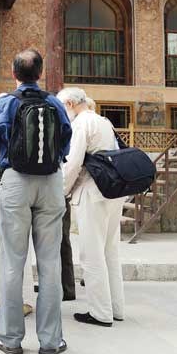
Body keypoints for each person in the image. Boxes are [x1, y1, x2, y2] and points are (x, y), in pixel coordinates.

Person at [0, 49, 72, 354]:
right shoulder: (54, 102)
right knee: (49, 264)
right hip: (50, 182)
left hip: (16, 181)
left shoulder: (4, 102)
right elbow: (66, 138)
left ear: (14, 74)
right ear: (40, 73)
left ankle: (10, 339)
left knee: (13, 261)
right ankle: (51, 342)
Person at [57, 87, 125, 327]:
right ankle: (116, 308)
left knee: (91, 253)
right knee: (110, 252)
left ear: (70, 103)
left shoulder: (80, 124)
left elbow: (73, 163)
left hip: (92, 192)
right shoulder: (103, 121)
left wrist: (61, 192)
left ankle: (100, 313)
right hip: (114, 192)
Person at [0, 107, 35, 318]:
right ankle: (24, 300)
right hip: (21, 195)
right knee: (22, 248)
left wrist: (1, 185)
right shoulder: (24, 133)